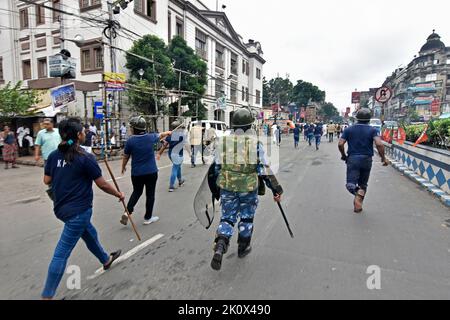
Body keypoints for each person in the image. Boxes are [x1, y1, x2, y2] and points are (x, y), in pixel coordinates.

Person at [41, 118, 124, 300]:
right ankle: (47, 296)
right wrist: (119, 194)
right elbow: (102, 184)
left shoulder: (54, 156)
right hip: (78, 212)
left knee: (89, 233)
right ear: (79, 135)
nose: (85, 132)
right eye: (83, 131)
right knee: (61, 254)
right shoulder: (85, 158)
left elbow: (47, 180)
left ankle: (105, 259)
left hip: (60, 208)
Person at [211, 108, 282, 271]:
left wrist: (216, 189)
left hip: (227, 186)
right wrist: (276, 189)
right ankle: (243, 248)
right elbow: (263, 169)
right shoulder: (255, 143)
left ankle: (221, 245)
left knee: (227, 218)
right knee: (246, 217)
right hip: (248, 188)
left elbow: (216, 168)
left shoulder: (222, 142)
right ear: (250, 125)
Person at [120, 116, 172, 226]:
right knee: (150, 194)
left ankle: (127, 211)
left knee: (137, 192)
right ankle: (148, 217)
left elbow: (126, 156)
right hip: (151, 172)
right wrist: (168, 132)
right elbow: (161, 135)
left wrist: (123, 167)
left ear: (135, 128)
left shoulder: (130, 141)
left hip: (137, 173)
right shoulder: (151, 137)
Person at [338, 109, 390, 213]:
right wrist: (383, 158)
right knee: (363, 184)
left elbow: (340, 143)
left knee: (350, 184)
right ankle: (358, 206)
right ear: (369, 119)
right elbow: (379, 144)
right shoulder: (372, 130)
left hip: (353, 159)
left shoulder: (349, 130)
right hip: (367, 159)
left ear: (356, 118)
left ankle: (357, 192)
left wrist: (343, 155)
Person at [157, 121, 186, 192]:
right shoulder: (181, 135)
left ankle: (180, 180)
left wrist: (159, 153)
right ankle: (171, 186)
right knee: (175, 168)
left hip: (171, 155)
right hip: (178, 155)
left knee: (177, 166)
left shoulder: (169, 136)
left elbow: (164, 146)